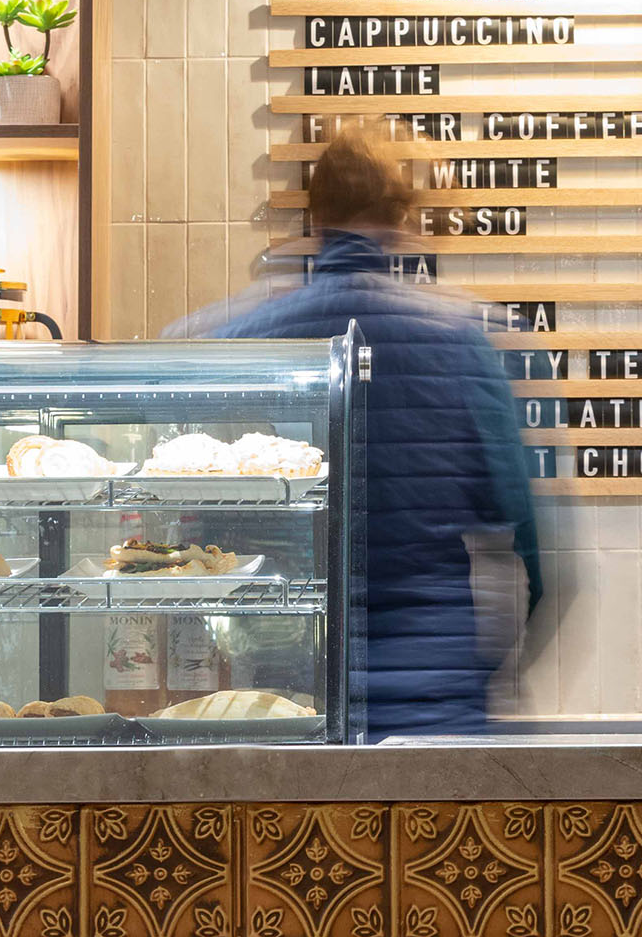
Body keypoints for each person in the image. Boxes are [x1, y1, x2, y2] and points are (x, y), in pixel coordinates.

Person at [212, 129, 541, 737]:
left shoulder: (240, 341)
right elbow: (532, 551)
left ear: (315, 214)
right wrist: (484, 670)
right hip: (433, 693)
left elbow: (200, 525)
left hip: (289, 690)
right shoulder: (464, 340)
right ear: (402, 216)